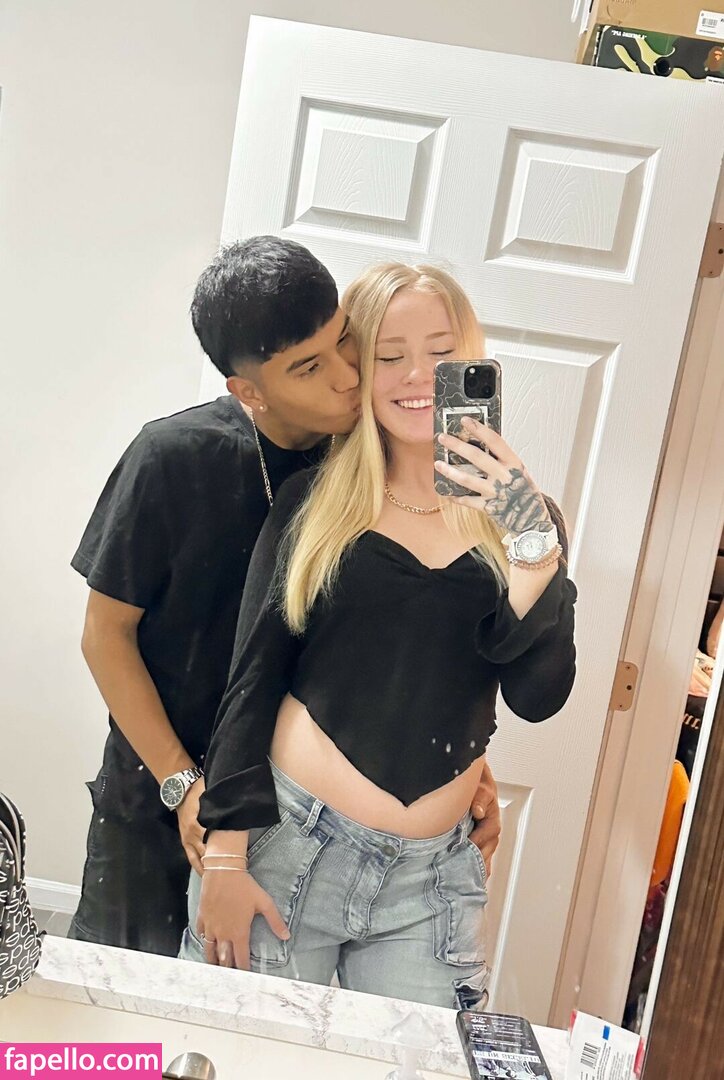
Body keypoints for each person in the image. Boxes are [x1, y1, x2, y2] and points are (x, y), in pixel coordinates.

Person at [67, 238, 501, 957]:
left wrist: (462, 767)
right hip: (158, 792)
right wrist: (183, 783)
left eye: (344, 342)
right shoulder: (172, 457)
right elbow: (103, 636)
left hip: (288, 813)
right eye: (308, 367)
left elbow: (403, 637)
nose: (346, 376)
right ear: (251, 391)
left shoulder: (367, 457)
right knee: (121, 999)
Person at [182, 263, 577, 1009]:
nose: (418, 375)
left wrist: (533, 551)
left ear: (472, 360)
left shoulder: (525, 523)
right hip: (287, 846)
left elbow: (539, 697)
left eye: (441, 351)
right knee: (239, 1052)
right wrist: (226, 858)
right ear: (360, 368)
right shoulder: (314, 503)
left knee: (424, 1060)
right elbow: (253, 679)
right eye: (390, 355)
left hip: (432, 882)